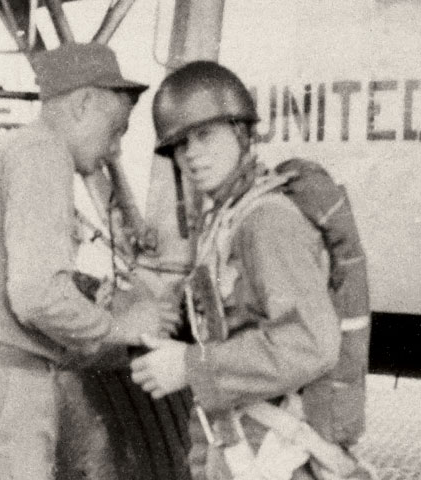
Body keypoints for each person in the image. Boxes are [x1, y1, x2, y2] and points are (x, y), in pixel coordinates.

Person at [0, 42, 172, 480]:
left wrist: (93, 301)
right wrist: (125, 326)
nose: (115, 149)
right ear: (84, 103)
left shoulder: (14, 154)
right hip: (0, 401)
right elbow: (36, 296)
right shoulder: (44, 152)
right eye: (116, 129)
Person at [130, 61, 373, 480]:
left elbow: (309, 343)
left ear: (241, 133)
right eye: (180, 144)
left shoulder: (267, 221)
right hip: (248, 448)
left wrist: (189, 367)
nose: (192, 154)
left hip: (276, 454)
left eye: (205, 135)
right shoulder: (229, 217)